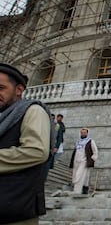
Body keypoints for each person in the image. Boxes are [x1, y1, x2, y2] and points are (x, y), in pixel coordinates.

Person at [0, 63, 51, 224]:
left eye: (1, 88)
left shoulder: (32, 111)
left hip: (16, 211)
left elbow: (37, 151)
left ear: (19, 90)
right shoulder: (4, 116)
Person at [69, 128, 98, 194]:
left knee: (79, 175)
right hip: (76, 161)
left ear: (87, 133)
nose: (83, 134)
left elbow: (95, 151)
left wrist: (92, 159)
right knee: (77, 175)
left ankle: (77, 191)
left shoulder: (90, 141)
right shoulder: (78, 141)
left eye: (84, 133)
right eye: (82, 133)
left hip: (84, 161)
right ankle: (85, 189)